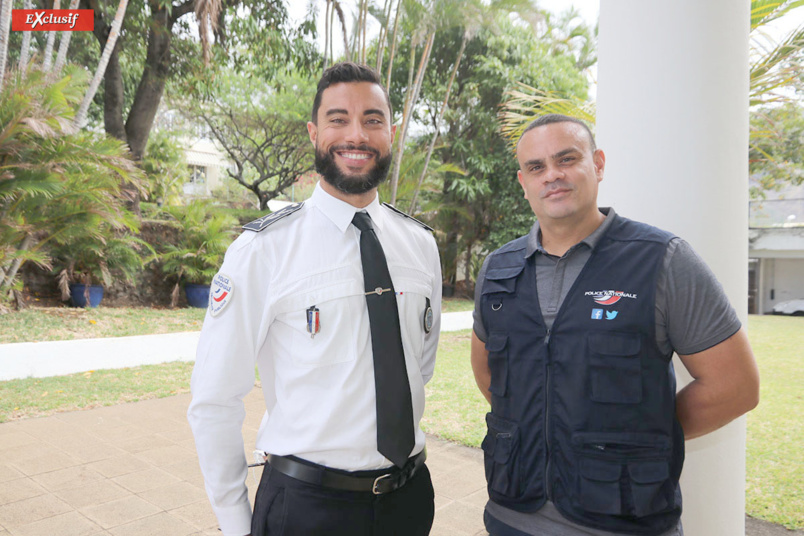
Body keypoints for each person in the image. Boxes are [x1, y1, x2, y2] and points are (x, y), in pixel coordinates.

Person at [470, 114, 760, 536]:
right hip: (511, 515)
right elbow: (489, 375)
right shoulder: (498, 268)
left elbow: (735, 386)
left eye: (566, 159)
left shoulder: (663, 259)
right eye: (536, 167)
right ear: (523, 181)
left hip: (623, 523)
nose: (552, 175)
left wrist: (641, 433)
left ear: (598, 164)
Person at [188, 62, 442, 536]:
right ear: (314, 131)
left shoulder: (420, 244)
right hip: (306, 509)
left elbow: (416, 366)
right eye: (338, 118)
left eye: (372, 119)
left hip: (408, 501)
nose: (356, 135)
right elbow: (215, 398)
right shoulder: (262, 250)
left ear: (391, 132)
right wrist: (235, 522)